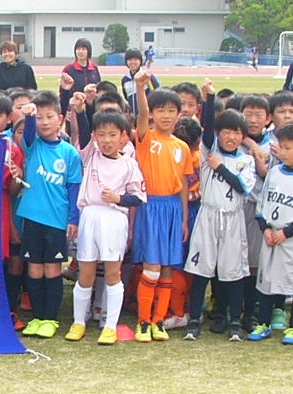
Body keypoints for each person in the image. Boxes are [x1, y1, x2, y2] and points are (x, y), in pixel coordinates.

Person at [67, 110, 146, 344]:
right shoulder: (91, 155)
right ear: (95, 137)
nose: (107, 140)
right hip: (90, 216)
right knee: (86, 274)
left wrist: (118, 198)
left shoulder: (129, 165)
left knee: (113, 274)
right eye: (102, 135)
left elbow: (139, 197)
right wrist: (82, 108)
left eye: (113, 135)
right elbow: (81, 131)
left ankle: (110, 326)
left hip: (114, 218)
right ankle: (78, 322)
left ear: (124, 137)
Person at [132, 77, 197, 341]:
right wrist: (139, 88)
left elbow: (182, 184)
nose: (166, 115)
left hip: (172, 209)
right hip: (151, 206)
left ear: (179, 114)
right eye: (161, 110)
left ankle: (159, 320)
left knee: (169, 267)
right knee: (152, 266)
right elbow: (142, 113)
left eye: (172, 110)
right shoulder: (146, 138)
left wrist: (183, 219)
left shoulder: (181, 146)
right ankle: (143, 321)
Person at [182, 108, 256, 341]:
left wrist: (220, 168)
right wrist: (210, 99)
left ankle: (234, 319)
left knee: (233, 272)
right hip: (208, 216)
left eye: (236, 132)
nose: (231, 137)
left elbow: (242, 186)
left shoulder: (246, 160)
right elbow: (206, 128)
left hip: (233, 219)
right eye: (226, 132)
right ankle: (194, 320)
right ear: (218, 133)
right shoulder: (208, 153)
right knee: (200, 269)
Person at [245, 120, 293, 344]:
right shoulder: (274, 173)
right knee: (266, 281)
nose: (283, 152)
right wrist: (266, 228)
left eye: (288, 148)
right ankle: (264, 323)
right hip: (270, 237)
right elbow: (262, 206)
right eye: (282, 146)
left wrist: (286, 234)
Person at [15, 93, 81, 338]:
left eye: (49, 117)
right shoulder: (33, 147)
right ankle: (37, 318)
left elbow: (73, 187)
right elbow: (29, 134)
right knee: (34, 269)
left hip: (56, 219)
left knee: (52, 269)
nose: (44, 122)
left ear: (60, 119)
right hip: (32, 218)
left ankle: (51, 320)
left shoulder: (69, 153)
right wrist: (29, 116)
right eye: (39, 117)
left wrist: (73, 218)